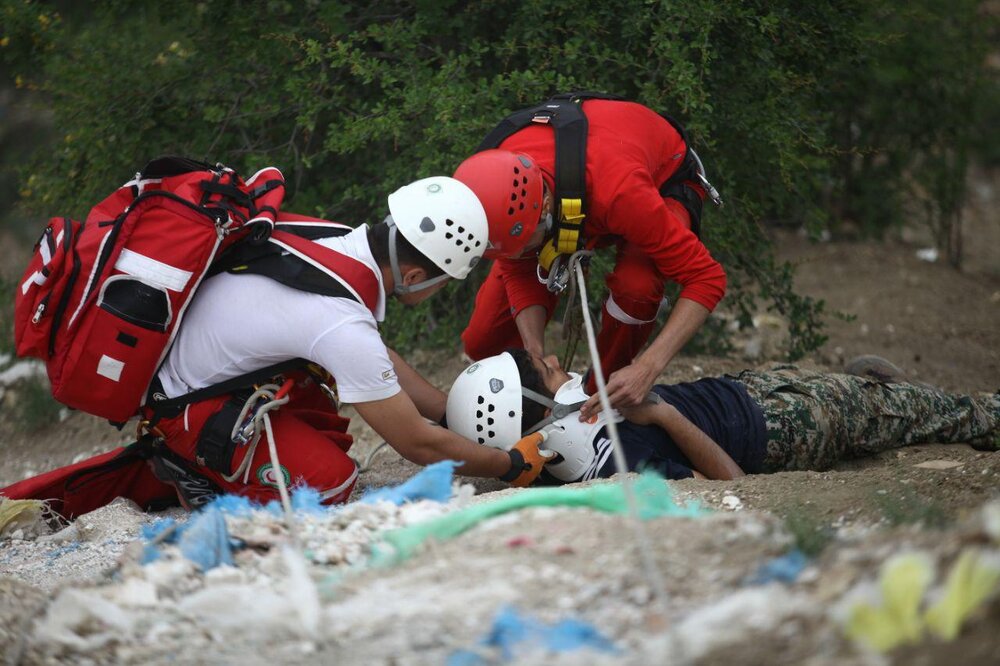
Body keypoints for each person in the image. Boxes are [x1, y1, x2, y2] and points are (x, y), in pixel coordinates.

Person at [2, 177, 553, 518]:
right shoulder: (340, 322)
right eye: (441, 281)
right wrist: (507, 464)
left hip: (199, 373)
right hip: (184, 405)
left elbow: (377, 361)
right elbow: (417, 446)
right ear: (411, 273)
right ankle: (186, 466)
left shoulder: (334, 240)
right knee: (332, 481)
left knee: (328, 429)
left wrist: (448, 409)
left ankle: (204, 456)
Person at [452, 96, 727, 419]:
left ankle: (598, 397)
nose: (524, 255)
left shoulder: (620, 193)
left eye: (527, 246)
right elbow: (517, 267)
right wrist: (533, 355)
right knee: (483, 343)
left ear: (543, 210)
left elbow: (707, 278)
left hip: (661, 178)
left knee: (635, 287)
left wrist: (648, 367)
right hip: (581, 184)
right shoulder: (492, 185)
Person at [445, 351, 1000, 483]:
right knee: (949, 412)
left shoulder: (565, 438)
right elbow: (731, 484)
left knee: (853, 389)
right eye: (536, 373)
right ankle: (905, 409)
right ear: (529, 411)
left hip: (743, 391)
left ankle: (875, 398)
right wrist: (661, 416)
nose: (549, 364)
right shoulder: (612, 460)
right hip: (779, 427)